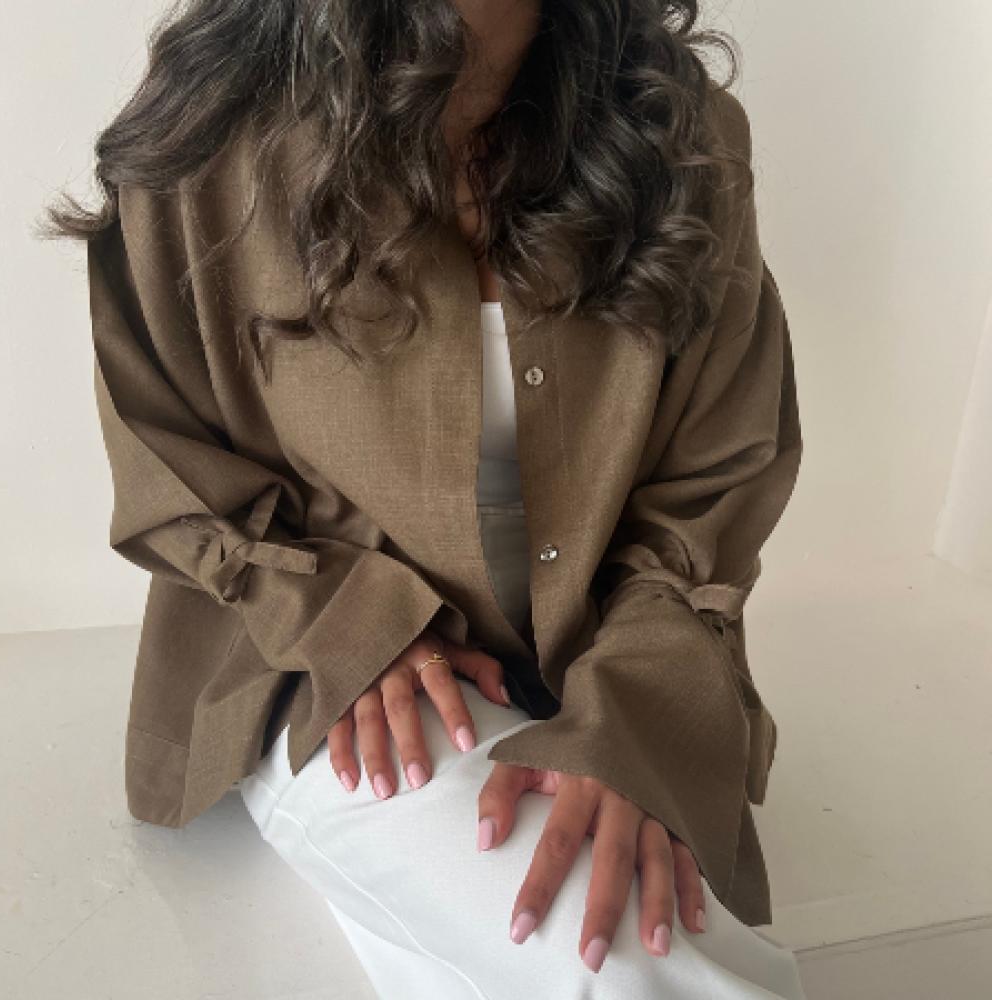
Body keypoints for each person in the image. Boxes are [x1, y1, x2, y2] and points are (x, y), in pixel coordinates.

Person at [42, 1, 807, 995]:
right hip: (330, 674)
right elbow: (171, 463)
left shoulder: (681, 131)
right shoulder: (210, 124)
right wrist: (350, 626)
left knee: (630, 945)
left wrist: (630, 725)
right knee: (616, 965)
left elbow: (708, 490)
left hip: (603, 669)